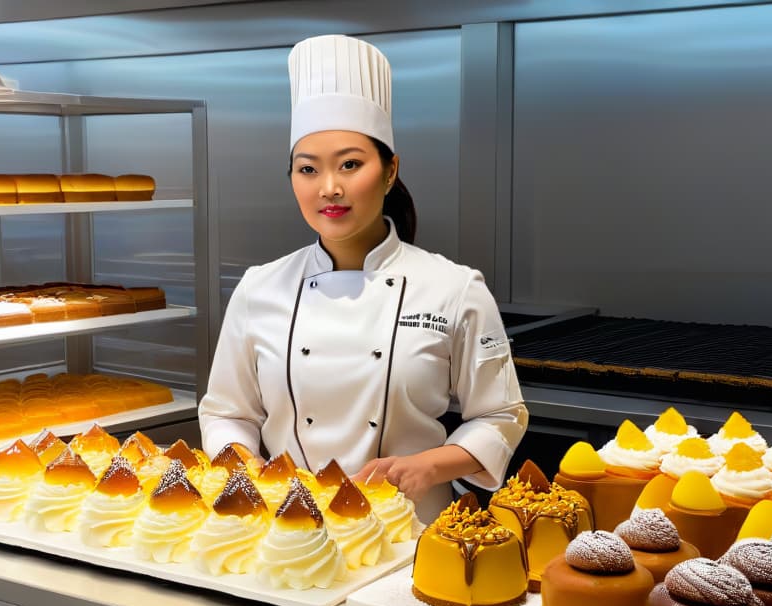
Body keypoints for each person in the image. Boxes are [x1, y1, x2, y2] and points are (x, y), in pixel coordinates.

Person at [198, 34, 527, 521]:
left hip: (410, 531)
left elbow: (501, 415)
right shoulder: (259, 288)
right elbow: (227, 413)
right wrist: (247, 467)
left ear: (390, 170)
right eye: (308, 169)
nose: (329, 188)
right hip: (289, 530)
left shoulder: (454, 288)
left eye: (351, 165)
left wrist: (430, 466)